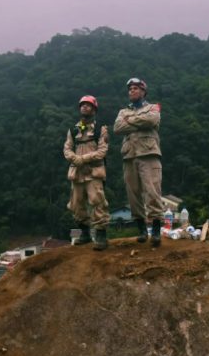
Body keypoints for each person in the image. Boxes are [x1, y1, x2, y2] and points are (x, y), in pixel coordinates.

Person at [113, 78, 163, 247]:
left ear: (143, 91)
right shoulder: (122, 111)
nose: (131, 91)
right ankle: (142, 229)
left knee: (152, 191)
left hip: (148, 153)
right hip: (129, 156)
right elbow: (117, 128)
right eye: (130, 89)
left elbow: (152, 121)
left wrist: (130, 120)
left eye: (135, 88)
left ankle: (156, 230)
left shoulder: (153, 108)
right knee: (133, 195)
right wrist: (138, 121)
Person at [63, 95, 110, 251]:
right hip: (77, 173)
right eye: (82, 105)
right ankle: (84, 234)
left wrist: (82, 159)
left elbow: (102, 151)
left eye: (88, 105)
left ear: (94, 109)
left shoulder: (100, 129)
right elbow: (67, 148)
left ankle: (101, 235)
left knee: (98, 201)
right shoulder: (73, 129)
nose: (84, 107)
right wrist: (74, 158)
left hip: (93, 172)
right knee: (76, 204)